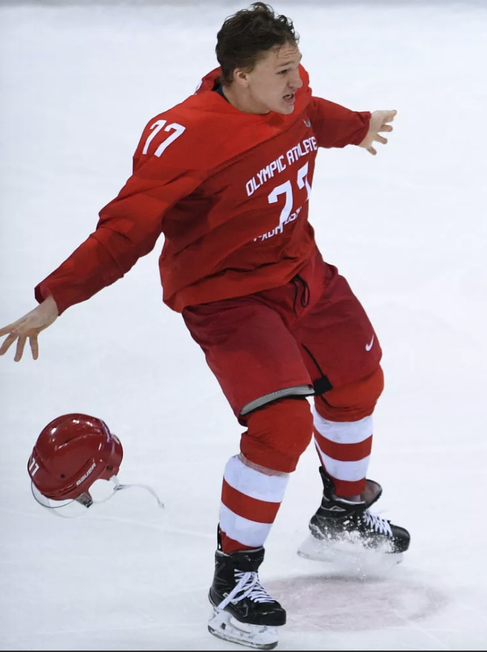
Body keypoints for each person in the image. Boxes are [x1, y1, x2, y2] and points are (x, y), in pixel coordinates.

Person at [0, 3, 409, 648]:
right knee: (282, 425)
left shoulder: (289, 92)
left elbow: (312, 114)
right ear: (239, 75)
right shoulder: (185, 136)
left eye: (298, 65)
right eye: (283, 70)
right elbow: (125, 230)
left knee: (359, 379)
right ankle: (233, 585)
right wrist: (56, 298)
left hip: (300, 271)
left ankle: (342, 513)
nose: (298, 80)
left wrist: (357, 127)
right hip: (228, 297)